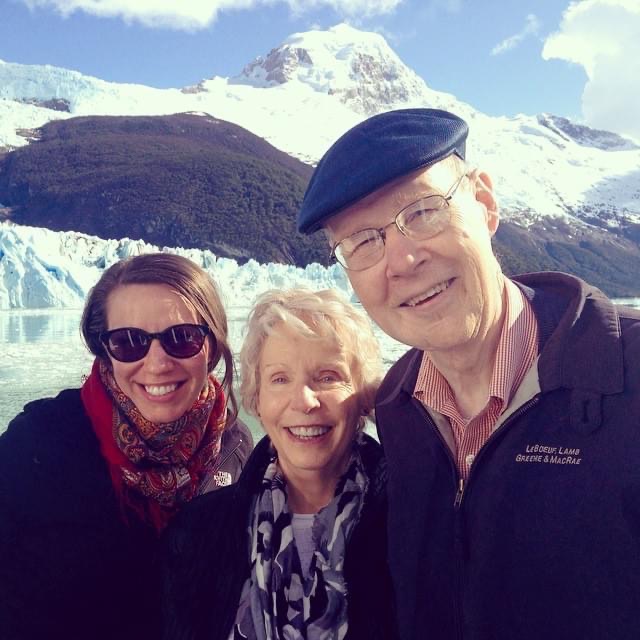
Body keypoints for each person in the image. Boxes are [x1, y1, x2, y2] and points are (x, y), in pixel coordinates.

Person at [296, 108, 640, 640]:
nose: (403, 260)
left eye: (423, 211)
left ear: (484, 203)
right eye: (364, 242)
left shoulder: (629, 373)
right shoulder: (397, 409)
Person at [0, 252, 253, 640]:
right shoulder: (40, 441)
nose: (157, 363)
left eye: (182, 338)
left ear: (213, 344)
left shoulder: (234, 447)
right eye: (129, 342)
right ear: (105, 349)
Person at [162, 288, 397, 640]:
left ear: (364, 395)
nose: (303, 401)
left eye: (328, 377)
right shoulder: (199, 532)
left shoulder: (409, 527)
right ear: (257, 399)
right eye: (280, 379)